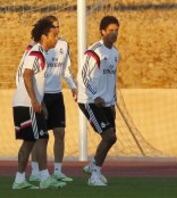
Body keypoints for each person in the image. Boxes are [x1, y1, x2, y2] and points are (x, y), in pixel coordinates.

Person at [12, 18, 66, 189]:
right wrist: (35, 101)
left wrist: (40, 102)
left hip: (24, 104)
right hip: (27, 105)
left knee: (29, 141)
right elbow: (26, 75)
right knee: (42, 137)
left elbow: (33, 79)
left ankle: (19, 180)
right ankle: (44, 177)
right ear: (44, 36)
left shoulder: (38, 52)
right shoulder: (37, 53)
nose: (56, 39)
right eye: (54, 36)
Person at [29, 15, 77, 183]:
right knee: (40, 136)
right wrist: (35, 97)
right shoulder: (36, 47)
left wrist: (73, 86)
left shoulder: (63, 45)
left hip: (57, 95)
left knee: (60, 132)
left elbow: (66, 69)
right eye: (53, 26)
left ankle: (57, 170)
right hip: (41, 94)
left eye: (58, 25)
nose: (57, 28)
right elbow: (29, 72)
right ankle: (35, 170)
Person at [77, 16, 120, 186]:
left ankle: (94, 165)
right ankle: (94, 175)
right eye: (110, 30)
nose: (114, 34)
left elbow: (112, 80)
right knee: (108, 136)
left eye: (116, 30)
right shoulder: (94, 51)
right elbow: (83, 77)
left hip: (107, 102)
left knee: (112, 137)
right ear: (102, 31)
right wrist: (96, 96)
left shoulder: (115, 53)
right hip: (90, 100)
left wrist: (113, 101)